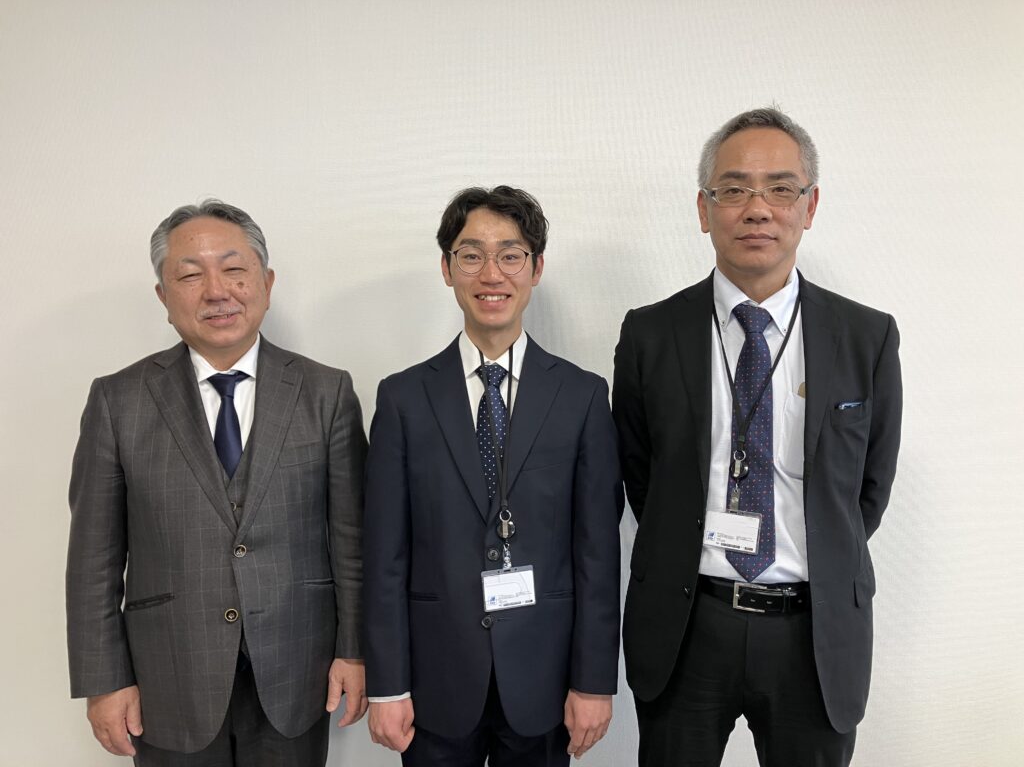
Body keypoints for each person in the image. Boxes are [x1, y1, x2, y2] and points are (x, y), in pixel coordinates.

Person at [613, 108, 902, 766]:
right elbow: (642, 475)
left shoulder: (867, 337)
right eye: (734, 189)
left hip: (814, 632)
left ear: (810, 205)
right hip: (688, 623)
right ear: (704, 208)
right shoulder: (650, 334)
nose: (757, 209)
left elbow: (869, 489)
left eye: (780, 188)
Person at [66, 199, 368, 765]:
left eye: (234, 270)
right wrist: (103, 680)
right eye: (189, 276)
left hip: (297, 671)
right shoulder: (118, 400)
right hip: (168, 678)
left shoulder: (326, 392)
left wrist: (355, 650)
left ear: (266, 283)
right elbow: (93, 559)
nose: (216, 291)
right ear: (163, 296)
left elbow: (353, 542)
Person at [363, 186, 623, 765]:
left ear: (536, 268)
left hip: (544, 678)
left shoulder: (581, 396)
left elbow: (598, 554)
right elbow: (384, 555)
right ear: (446, 268)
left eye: (510, 255)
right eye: (471, 255)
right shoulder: (403, 398)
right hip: (434, 681)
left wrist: (593, 681)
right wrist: (387, 684)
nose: (491, 274)